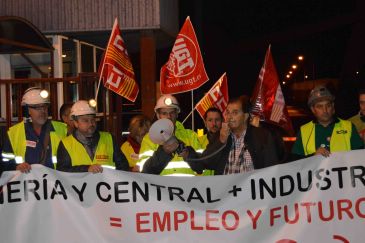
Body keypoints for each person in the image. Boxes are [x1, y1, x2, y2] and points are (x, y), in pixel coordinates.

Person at [195, 95, 286, 175]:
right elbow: (205, 163)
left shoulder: (262, 136)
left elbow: (272, 170)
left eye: (235, 113)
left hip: (252, 192)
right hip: (225, 193)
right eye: (227, 112)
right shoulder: (219, 136)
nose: (229, 117)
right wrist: (221, 141)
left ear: (245, 116)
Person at [1, 87, 67, 173]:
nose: (43, 111)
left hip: (55, 184)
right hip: (27, 184)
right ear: (28, 110)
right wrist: (16, 166)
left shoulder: (62, 129)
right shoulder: (14, 133)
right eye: (37, 108)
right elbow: (4, 162)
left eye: (45, 107)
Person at [138, 94, 203, 176]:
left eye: (172, 112)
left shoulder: (191, 136)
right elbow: (144, 171)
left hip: (188, 188)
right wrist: (164, 152)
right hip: (161, 188)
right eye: (164, 113)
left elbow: (202, 167)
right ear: (158, 115)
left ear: (177, 114)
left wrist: (188, 155)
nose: (169, 116)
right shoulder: (149, 139)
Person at [56, 100, 129, 173]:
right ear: (75, 123)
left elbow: (123, 166)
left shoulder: (109, 139)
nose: (91, 124)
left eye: (93, 119)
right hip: (80, 184)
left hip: (107, 184)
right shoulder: (66, 144)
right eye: (86, 120)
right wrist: (86, 169)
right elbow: (62, 172)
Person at [291, 86, 363, 159]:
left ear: (333, 106)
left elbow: (360, 156)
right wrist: (312, 157)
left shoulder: (348, 127)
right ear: (313, 109)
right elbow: (295, 161)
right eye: (319, 106)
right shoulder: (304, 131)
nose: (325, 110)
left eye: (328, 105)